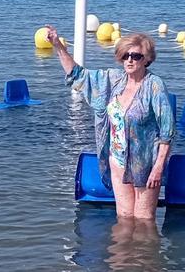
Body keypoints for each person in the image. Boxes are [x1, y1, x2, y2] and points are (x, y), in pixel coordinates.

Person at [46, 25, 174, 219]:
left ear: (147, 59)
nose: (130, 60)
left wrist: (158, 168)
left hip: (144, 165)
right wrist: (58, 46)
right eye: (125, 55)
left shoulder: (154, 85)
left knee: (143, 222)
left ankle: (146, 251)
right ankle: (121, 250)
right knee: (124, 219)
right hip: (117, 161)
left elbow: (167, 131)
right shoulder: (113, 80)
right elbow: (78, 76)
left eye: (136, 56)